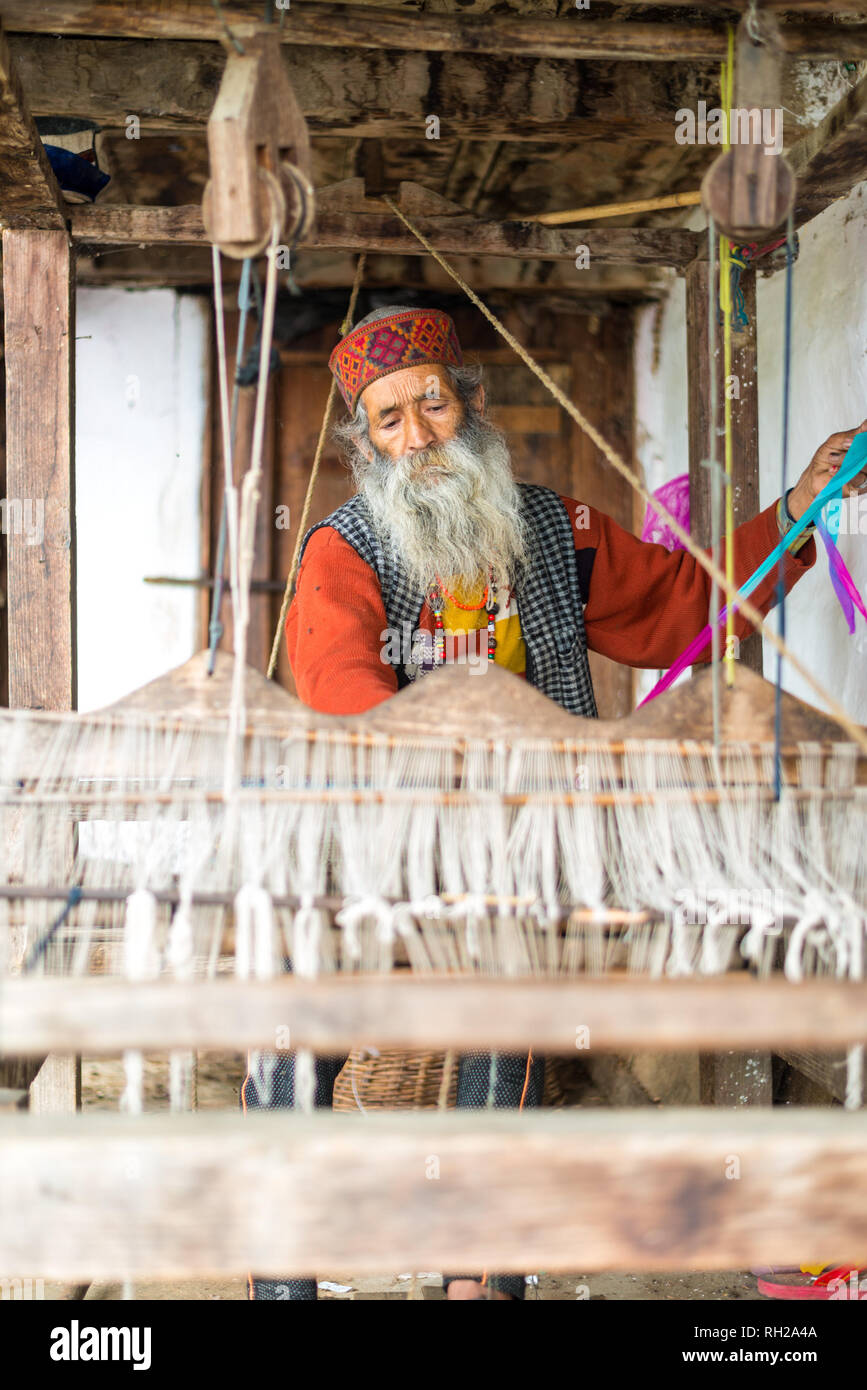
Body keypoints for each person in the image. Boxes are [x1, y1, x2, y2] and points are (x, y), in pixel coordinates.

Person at [246, 304, 865, 1301]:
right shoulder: (342, 549)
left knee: (509, 985)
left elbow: (675, 606)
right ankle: (281, 1275)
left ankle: (481, 1277)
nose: (420, 438)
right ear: (366, 440)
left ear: (470, 405)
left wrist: (798, 506)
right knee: (300, 999)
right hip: (379, 824)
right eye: (392, 420)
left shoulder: (550, 526)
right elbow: (340, 687)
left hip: (527, 843)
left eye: (434, 406)